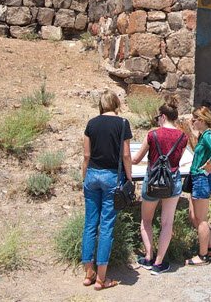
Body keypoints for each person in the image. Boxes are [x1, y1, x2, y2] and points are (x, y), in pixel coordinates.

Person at [81, 90, 132, 290]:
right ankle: (102, 278)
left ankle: (88, 273)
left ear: (101, 105)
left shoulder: (91, 123)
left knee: (90, 224)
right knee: (106, 226)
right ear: (116, 103)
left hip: (92, 175)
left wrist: (84, 177)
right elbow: (126, 155)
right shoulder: (122, 123)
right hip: (112, 176)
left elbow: (86, 155)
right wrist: (129, 177)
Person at [132, 95, 189, 275]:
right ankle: (159, 263)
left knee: (146, 221)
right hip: (172, 181)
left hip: (153, 181)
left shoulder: (152, 134)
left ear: (162, 116)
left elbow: (136, 159)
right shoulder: (183, 137)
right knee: (167, 224)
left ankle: (148, 257)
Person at [186, 106, 211, 265]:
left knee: (201, 219)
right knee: (194, 216)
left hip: (201, 179)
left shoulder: (208, 135)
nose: (192, 122)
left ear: (201, 120)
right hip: (199, 178)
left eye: (194, 120)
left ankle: (203, 256)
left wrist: (209, 164)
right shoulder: (204, 135)